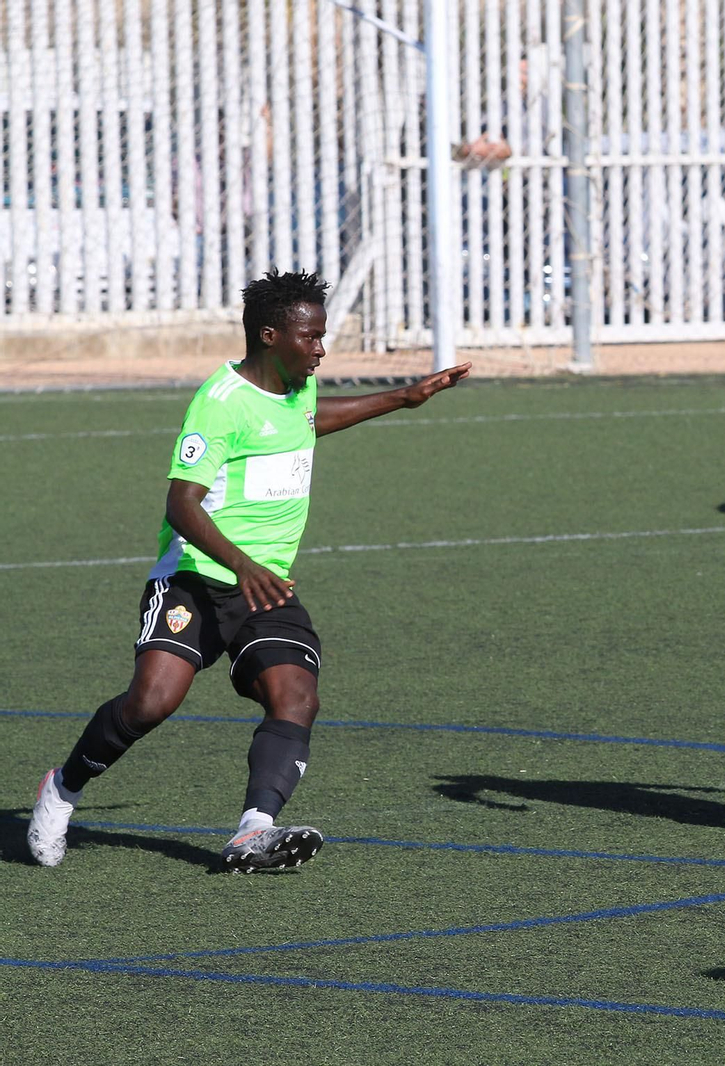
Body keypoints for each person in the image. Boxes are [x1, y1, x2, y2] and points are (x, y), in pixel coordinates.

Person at [27, 269, 472, 873]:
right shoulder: (220, 404)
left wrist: (401, 398)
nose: (321, 348)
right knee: (150, 704)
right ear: (270, 335)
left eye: (322, 335)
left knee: (296, 697)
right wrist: (241, 563)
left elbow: (308, 423)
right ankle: (63, 788)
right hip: (196, 578)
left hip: (265, 585)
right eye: (311, 336)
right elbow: (180, 503)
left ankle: (252, 831)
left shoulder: (298, 385)